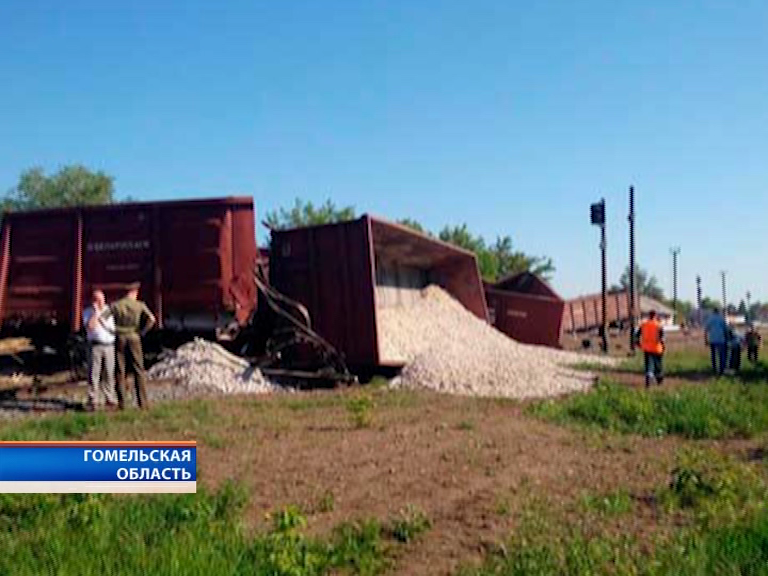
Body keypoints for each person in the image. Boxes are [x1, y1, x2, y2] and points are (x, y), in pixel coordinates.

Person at [110, 282, 156, 410]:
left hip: (119, 337)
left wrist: (111, 330)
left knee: (120, 370)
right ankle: (143, 403)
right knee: (138, 369)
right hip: (134, 337)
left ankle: (122, 403)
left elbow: (102, 318)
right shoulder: (139, 305)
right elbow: (152, 319)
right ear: (134, 292)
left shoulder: (116, 305)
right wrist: (143, 332)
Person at [81, 289, 118, 411]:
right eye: (98, 300)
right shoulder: (87, 312)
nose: (101, 302)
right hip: (95, 346)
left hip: (109, 345)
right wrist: (96, 312)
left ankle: (110, 398)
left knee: (109, 373)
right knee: (94, 373)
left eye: (102, 300)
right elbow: (90, 327)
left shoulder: (109, 311)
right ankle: (93, 400)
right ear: (93, 301)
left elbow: (112, 327)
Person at [636, 310, 665, 388]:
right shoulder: (658, 325)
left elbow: (637, 335)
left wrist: (637, 343)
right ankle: (659, 378)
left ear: (649, 315)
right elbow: (662, 338)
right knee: (658, 364)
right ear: (655, 316)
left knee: (649, 365)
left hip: (647, 348)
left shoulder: (644, 324)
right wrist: (663, 346)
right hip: (657, 348)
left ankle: (648, 379)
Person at [705, 308, 729, 376]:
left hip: (712, 339)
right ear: (718, 312)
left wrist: (706, 340)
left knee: (713, 355)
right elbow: (725, 329)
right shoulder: (721, 319)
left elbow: (706, 330)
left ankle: (714, 368)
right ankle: (722, 369)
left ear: (713, 312)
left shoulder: (710, 319)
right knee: (722, 355)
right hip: (721, 339)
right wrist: (727, 338)